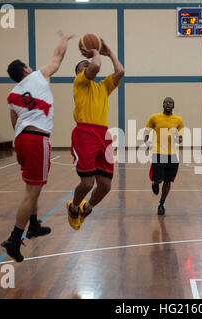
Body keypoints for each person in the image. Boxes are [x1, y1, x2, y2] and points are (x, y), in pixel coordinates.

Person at [1, 31, 76, 262]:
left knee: (32, 188)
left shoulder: (13, 94)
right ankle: (14, 239)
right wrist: (65, 38)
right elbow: (57, 57)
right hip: (37, 139)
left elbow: (14, 121)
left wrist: (18, 145)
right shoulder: (38, 76)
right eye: (28, 65)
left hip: (22, 139)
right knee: (31, 193)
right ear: (25, 70)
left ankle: (33, 225)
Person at [67, 38, 124, 230]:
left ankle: (87, 208)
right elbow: (95, 68)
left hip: (103, 135)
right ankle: (74, 207)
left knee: (106, 186)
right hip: (85, 133)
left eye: (88, 62)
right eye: (84, 65)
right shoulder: (79, 82)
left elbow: (120, 72)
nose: (88, 65)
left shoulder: (102, 87)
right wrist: (95, 53)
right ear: (78, 72)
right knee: (87, 182)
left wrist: (109, 52)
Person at [144, 97, 184, 215]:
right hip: (158, 152)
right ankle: (155, 183)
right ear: (162, 104)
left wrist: (179, 138)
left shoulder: (178, 120)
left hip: (172, 154)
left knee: (168, 181)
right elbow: (146, 132)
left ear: (173, 106)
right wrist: (147, 143)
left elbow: (181, 137)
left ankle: (161, 204)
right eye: (166, 102)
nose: (168, 104)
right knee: (160, 179)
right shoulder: (154, 118)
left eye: (171, 102)